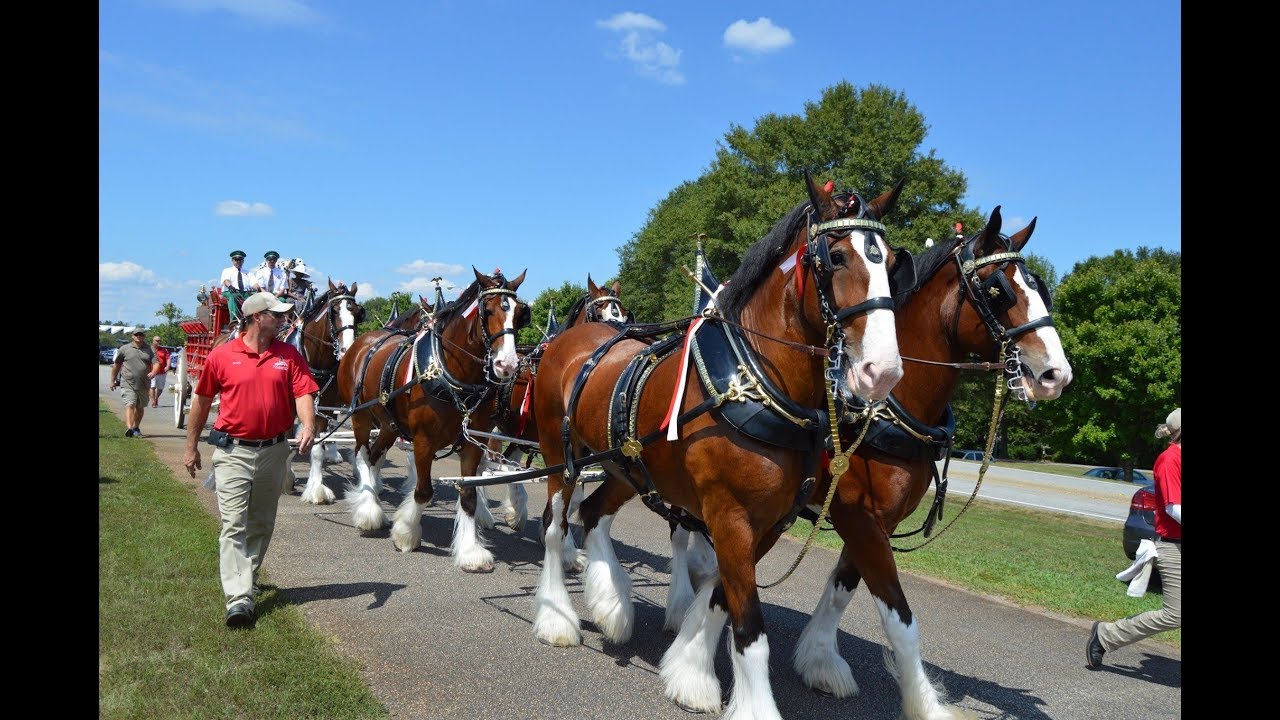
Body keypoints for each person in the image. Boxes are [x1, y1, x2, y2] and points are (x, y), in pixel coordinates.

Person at [182, 291, 319, 629]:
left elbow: (303, 392)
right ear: (258, 317)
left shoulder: (289, 354)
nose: (285, 319)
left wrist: (309, 424)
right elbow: (200, 402)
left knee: (261, 523)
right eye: (278, 314)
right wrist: (191, 446)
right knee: (233, 525)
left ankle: (248, 577)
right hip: (232, 453)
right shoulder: (222, 356)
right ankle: (239, 599)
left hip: (274, 452)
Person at [1087, 407, 1181, 668]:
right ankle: (1106, 635)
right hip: (1174, 548)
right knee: (1174, 615)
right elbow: (1174, 508)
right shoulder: (1170, 459)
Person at [109, 329, 156, 437]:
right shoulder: (124, 349)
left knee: (140, 407)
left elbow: (156, 363)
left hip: (144, 383)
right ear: (132, 336)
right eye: (136, 334)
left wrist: (153, 371)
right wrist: (112, 380)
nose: (139, 336)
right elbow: (116, 365)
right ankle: (129, 428)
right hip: (128, 382)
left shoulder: (150, 349)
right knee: (130, 404)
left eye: (141, 334)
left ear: (144, 336)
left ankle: (136, 427)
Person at [220, 250, 252, 324]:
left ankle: (252, 319)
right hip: (230, 291)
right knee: (233, 296)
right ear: (232, 260)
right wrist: (230, 286)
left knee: (256, 298)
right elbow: (226, 280)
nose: (238, 261)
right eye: (236, 259)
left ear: (243, 261)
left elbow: (254, 283)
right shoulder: (227, 270)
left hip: (244, 292)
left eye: (240, 260)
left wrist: (258, 288)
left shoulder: (248, 272)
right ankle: (234, 320)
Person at [148, 337, 171, 408]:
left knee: (160, 388)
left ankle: (156, 398)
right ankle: (153, 401)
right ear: (153, 341)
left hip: (162, 372)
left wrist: (167, 366)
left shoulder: (164, 350)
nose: (159, 342)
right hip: (152, 371)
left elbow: (168, 359)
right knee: (152, 386)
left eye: (160, 341)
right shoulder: (149, 350)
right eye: (157, 341)